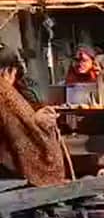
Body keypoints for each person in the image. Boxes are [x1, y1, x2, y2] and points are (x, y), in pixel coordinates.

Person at [0, 48, 67, 186]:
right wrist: (35, 121)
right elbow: (17, 122)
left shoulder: (16, 91)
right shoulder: (5, 92)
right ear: (8, 71)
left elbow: (27, 109)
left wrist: (38, 113)